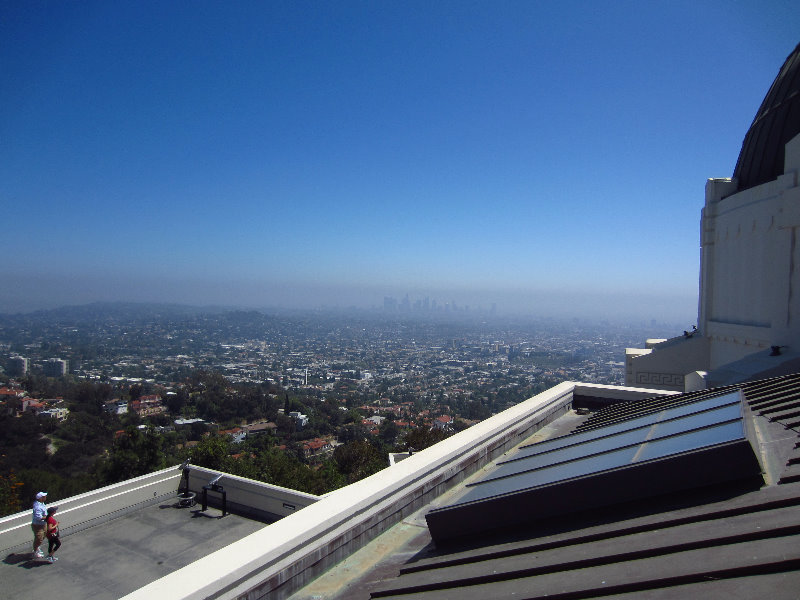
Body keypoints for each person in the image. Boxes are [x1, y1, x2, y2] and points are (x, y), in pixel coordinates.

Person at [31, 492, 47, 559]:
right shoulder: (38, 507)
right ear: (40, 498)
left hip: (43, 524)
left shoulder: (41, 503)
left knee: (43, 535)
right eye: (44, 496)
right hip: (38, 526)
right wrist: (48, 517)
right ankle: (36, 551)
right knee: (39, 539)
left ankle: (37, 547)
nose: (45, 497)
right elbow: (39, 518)